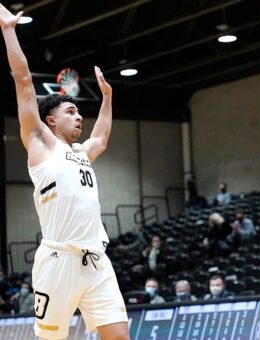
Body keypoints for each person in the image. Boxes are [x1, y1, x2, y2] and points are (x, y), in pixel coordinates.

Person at [0, 4, 129, 339]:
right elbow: (24, 81)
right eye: (71, 111)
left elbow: (100, 137)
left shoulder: (81, 152)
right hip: (59, 261)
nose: (78, 117)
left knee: (119, 336)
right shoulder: (41, 143)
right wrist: (9, 30)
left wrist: (108, 98)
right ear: (51, 120)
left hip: (97, 260)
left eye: (78, 112)